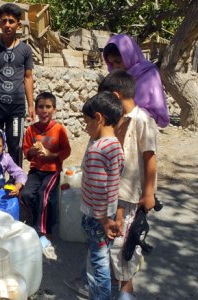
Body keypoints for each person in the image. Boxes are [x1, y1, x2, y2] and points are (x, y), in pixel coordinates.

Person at [98, 70, 158, 300]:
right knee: (114, 242)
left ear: (115, 95)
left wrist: (149, 193)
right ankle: (117, 284)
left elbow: (149, 159)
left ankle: (126, 290)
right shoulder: (118, 120)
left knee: (125, 247)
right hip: (114, 193)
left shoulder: (142, 120)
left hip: (131, 195)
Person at [80, 91, 125, 300]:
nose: (86, 127)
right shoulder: (116, 145)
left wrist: (105, 221)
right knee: (99, 259)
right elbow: (113, 183)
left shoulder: (97, 149)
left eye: (87, 122)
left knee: (99, 266)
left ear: (98, 118)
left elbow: (98, 191)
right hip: (108, 212)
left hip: (97, 218)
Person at [0, 2, 35, 168]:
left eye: (11, 21)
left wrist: (30, 105)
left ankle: (14, 184)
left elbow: (28, 78)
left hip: (16, 108)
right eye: (4, 21)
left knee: (15, 146)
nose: (7, 25)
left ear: (18, 24)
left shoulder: (25, 50)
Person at [21, 92, 71, 259]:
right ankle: (33, 218)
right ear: (35, 109)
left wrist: (52, 155)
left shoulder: (58, 129)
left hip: (52, 170)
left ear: (54, 109)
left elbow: (66, 150)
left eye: (48, 107)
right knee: (26, 193)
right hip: (36, 169)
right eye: (41, 107)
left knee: (44, 195)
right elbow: (26, 152)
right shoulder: (30, 130)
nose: (44, 110)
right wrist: (32, 151)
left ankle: (44, 231)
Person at [103, 33, 170, 128]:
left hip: (142, 129)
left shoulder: (148, 73)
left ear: (128, 56)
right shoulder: (115, 78)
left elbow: (159, 112)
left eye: (118, 61)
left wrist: (133, 115)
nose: (115, 67)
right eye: (111, 63)